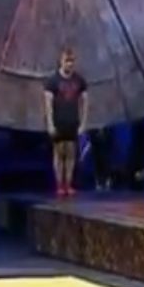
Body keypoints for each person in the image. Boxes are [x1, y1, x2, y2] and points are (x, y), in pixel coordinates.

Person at [45, 48, 89, 197]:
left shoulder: (79, 80)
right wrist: (50, 124)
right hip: (58, 122)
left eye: (72, 61)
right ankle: (59, 185)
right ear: (61, 61)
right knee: (59, 154)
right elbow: (48, 104)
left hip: (72, 122)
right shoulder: (53, 81)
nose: (69, 64)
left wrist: (83, 123)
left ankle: (68, 184)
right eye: (67, 61)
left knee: (70, 154)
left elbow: (85, 102)